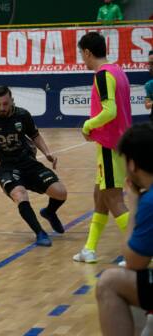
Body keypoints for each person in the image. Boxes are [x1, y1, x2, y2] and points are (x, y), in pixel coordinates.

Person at [0, 86, 68, 247]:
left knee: (61, 193)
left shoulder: (22, 115)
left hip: (28, 163)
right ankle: (40, 233)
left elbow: (35, 135)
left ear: (12, 101)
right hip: (6, 168)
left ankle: (49, 212)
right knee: (20, 195)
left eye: (5, 104)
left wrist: (47, 153)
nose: (2, 108)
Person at [73, 32, 132, 263]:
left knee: (114, 198)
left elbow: (110, 111)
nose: (82, 60)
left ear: (88, 52)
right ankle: (89, 249)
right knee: (100, 195)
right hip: (117, 143)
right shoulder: (118, 71)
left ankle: (141, 252)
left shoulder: (103, 75)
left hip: (110, 145)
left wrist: (87, 125)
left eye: (82, 55)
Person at [96, 123, 153, 336]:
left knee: (109, 282)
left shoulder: (149, 202)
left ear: (132, 164)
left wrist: (134, 205)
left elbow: (134, 262)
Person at [144, 50, 153, 122]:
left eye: (152, 63)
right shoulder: (149, 85)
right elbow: (147, 105)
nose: (150, 67)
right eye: (149, 64)